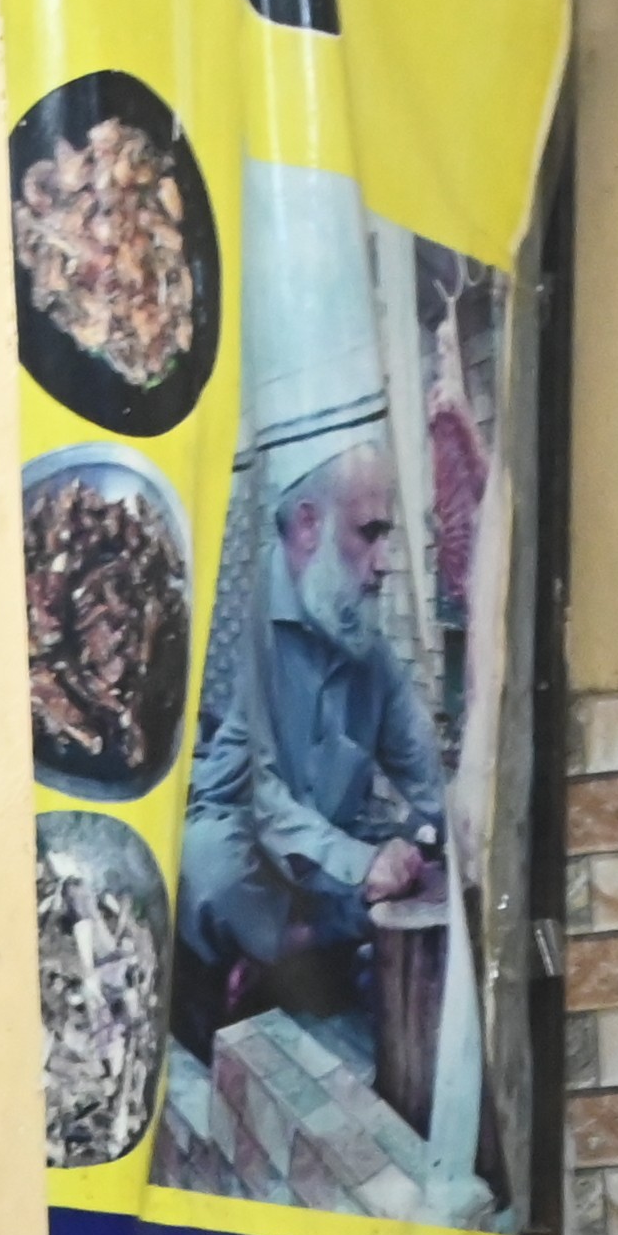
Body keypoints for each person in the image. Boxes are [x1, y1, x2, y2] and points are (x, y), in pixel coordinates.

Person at [173, 432, 450, 1041]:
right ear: (307, 526)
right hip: (248, 857)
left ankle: (298, 955)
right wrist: (365, 867)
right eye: (369, 533)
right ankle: (258, 966)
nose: (384, 562)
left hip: (316, 868)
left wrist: (452, 829)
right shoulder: (261, 626)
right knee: (208, 863)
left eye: (385, 536)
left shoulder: (363, 645)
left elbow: (427, 778)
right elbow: (269, 809)